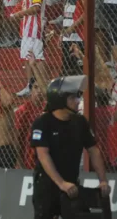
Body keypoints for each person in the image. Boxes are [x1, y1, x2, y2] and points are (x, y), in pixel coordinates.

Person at [30, 76, 110, 219]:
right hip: (47, 186)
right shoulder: (42, 123)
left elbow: (93, 151)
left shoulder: (80, 122)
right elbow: (43, 155)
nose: (77, 101)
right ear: (60, 100)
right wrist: (61, 183)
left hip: (71, 186)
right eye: (72, 98)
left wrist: (102, 180)